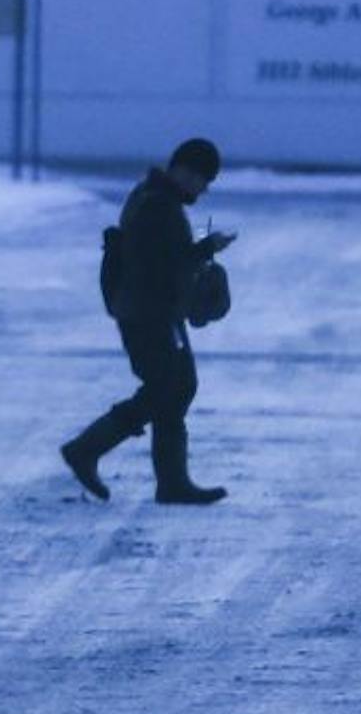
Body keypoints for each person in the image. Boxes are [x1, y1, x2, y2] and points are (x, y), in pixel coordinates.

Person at [60, 137, 236, 505]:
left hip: (150, 310)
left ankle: (172, 483)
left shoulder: (154, 197)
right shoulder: (158, 206)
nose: (203, 191)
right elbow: (162, 265)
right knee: (169, 387)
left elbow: (164, 258)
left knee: (175, 386)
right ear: (186, 171)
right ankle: (87, 449)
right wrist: (206, 249)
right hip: (148, 314)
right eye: (203, 181)